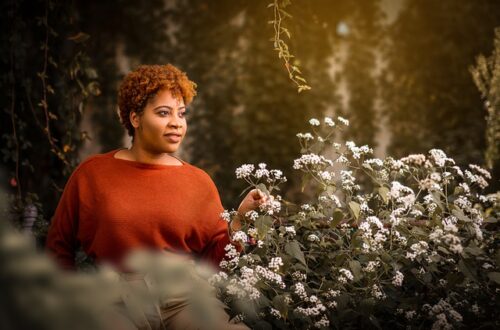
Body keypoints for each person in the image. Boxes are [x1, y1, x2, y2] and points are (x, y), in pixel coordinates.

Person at [45, 64, 265, 329]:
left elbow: (214, 264)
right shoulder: (92, 173)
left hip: (184, 299)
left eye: (181, 114)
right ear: (135, 118)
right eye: (163, 113)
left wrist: (240, 218)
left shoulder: (198, 181)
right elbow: (58, 245)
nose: (176, 122)